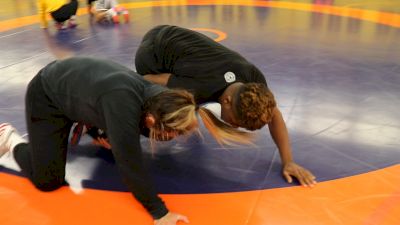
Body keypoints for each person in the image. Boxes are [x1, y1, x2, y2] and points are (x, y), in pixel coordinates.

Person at [0, 57, 252, 225]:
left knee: (117, 134)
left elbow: (148, 122)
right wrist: (159, 213)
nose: (171, 139)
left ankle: (89, 124)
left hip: (82, 91)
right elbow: (129, 163)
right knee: (48, 180)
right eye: (171, 134)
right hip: (48, 95)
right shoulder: (123, 104)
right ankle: (9, 139)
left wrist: (104, 131)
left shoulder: (164, 100)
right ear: (152, 121)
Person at [135, 25, 317, 187]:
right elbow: (145, 81)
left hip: (179, 43)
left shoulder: (254, 80)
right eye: (237, 122)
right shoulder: (198, 86)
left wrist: (288, 161)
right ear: (227, 102)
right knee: (167, 126)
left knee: (190, 104)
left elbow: (274, 115)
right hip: (153, 53)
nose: (236, 126)